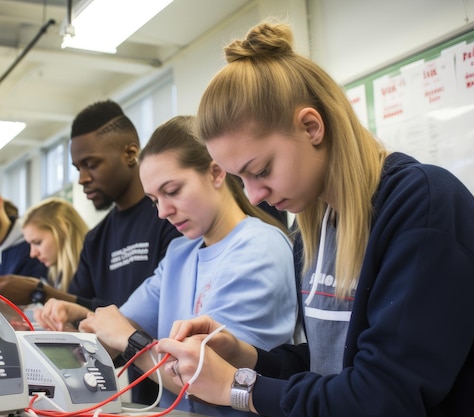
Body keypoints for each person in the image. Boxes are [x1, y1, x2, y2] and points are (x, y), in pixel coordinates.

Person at [155, 20, 474, 417]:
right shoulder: (313, 225)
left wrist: (236, 388)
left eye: (262, 169)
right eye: (241, 179)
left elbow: (383, 396)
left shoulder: (421, 204)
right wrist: (245, 357)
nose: (254, 195)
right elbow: (330, 364)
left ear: (311, 127)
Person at [56, 115, 296, 416]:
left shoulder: (260, 246)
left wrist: (128, 340)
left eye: (172, 191)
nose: (163, 212)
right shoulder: (179, 253)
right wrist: (80, 324)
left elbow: (206, 380)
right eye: (154, 200)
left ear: (216, 173)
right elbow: (121, 323)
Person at [34, 99, 181, 405]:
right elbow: (88, 325)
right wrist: (67, 317)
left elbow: (169, 310)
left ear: (130, 153)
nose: (82, 178)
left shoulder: (171, 218)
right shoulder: (96, 240)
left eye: (91, 164)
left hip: (183, 391)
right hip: (137, 400)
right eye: (77, 168)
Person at [0, 197, 89, 306]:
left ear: (63, 230)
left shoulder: (93, 270)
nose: (33, 254)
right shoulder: (54, 276)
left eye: (37, 242)